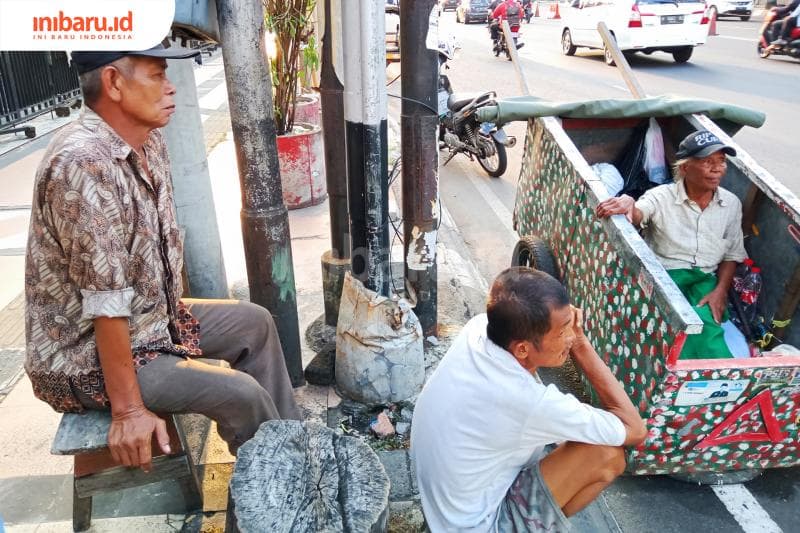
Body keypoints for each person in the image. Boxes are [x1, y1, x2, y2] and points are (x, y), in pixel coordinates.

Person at [24, 44, 301, 473]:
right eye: (157, 76)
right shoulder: (81, 163)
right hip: (87, 356)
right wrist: (129, 410)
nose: (171, 89)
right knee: (241, 394)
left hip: (151, 324)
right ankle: (277, 490)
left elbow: (161, 256)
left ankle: (294, 458)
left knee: (255, 323)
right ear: (114, 83)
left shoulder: (148, 141)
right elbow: (106, 305)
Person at [411, 267, 647, 532]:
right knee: (607, 454)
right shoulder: (528, 401)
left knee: (579, 440)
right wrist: (581, 345)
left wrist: (563, 326)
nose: (570, 336)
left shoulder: (479, 328)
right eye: (562, 332)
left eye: (572, 326)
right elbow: (635, 430)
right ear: (522, 348)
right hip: (478, 526)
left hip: (444, 509)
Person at [596, 129, 748, 359]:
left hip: (705, 279)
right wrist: (628, 202)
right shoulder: (661, 196)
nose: (717, 168)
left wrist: (720, 291)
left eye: (721, 161)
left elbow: (732, 254)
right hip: (666, 276)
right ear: (686, 168)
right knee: (676, 328)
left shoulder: (731, 204)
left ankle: (716, 383)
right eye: (708, 162)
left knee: (706, 325)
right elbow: (639, 213)